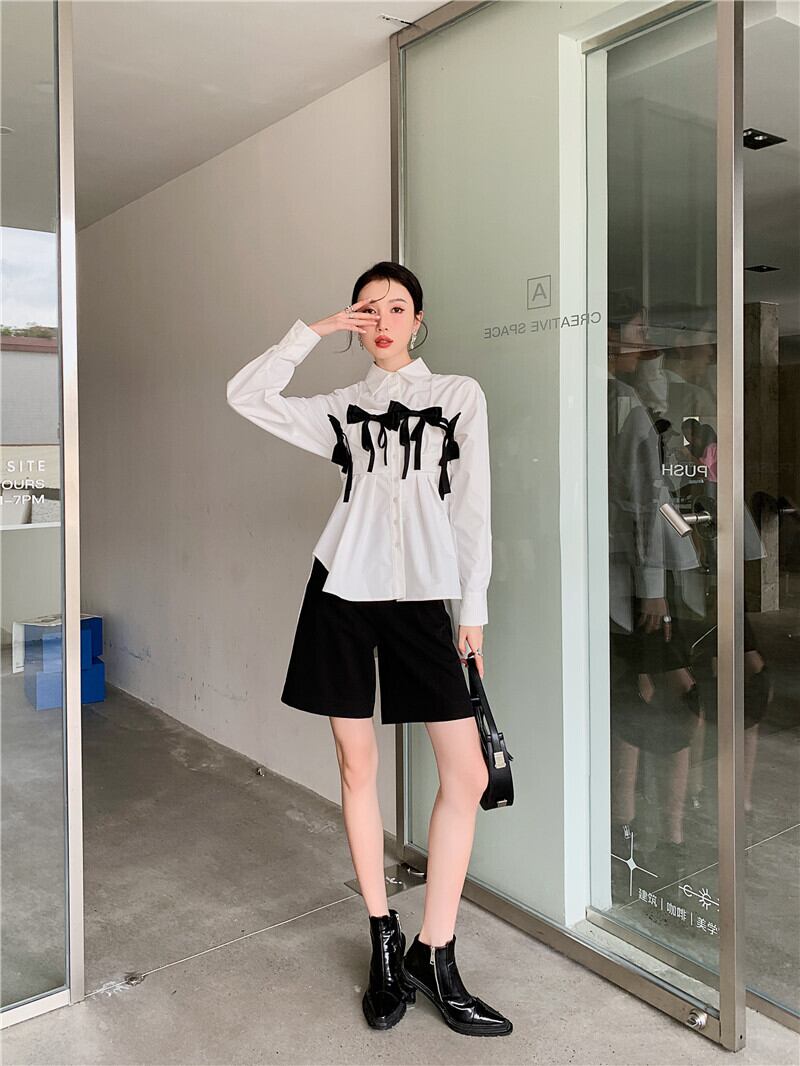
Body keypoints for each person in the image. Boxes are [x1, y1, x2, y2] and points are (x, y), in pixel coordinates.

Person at [226, 262, 511, 1038]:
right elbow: (245, 394)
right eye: (366, 309)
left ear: (418, 319)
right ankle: (383, 936)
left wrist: (473, 609)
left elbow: (473, 508)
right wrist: (313, 332)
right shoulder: (341, 408)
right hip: (341, 596)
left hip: (422, 600)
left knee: (467, 772)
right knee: (357, 768)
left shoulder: (458, 396)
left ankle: (434, 951)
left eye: (396, 307)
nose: (381, 320)